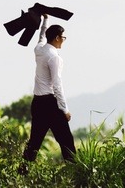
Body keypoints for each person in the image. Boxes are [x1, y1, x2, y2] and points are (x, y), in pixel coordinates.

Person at [22, 15, 76, 165]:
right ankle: (75, 173)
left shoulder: (39, 50)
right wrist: (65, 109)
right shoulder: (54, 57)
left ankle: (22, 172)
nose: (63, 41)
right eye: (63, 37)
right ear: (58, 38)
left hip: (37, 102)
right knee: (66, 141)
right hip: (50, 104)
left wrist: (45, 20)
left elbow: (41, 37)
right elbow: (57, 84)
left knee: (34, 142)